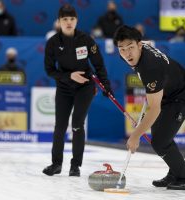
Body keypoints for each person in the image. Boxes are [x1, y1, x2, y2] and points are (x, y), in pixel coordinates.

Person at [113, 25, 185, 190]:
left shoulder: (151, 68)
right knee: (160, 134)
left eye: (130, 48)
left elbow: (155, 109)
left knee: (160, 142)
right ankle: (174, 173)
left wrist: (135, 136)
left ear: (139, 46)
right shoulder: (138, 49)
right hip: (167, 90)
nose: (127, 53)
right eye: (122, 49)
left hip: (180, 97)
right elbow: (148, 42)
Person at [43, 4, 113, 177]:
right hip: (64, 87)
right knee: (60, 126)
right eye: (65, 19)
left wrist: (105, 84)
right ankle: (56, 164)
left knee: (77, 125)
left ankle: (75, 166)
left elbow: (99, 65)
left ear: (76, 21)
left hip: (85, 87)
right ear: (59, 21)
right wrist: (69, 77)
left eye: (72, 19)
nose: (68, 22)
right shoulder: (52, 43)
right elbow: (50, 70)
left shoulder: (86, 40)